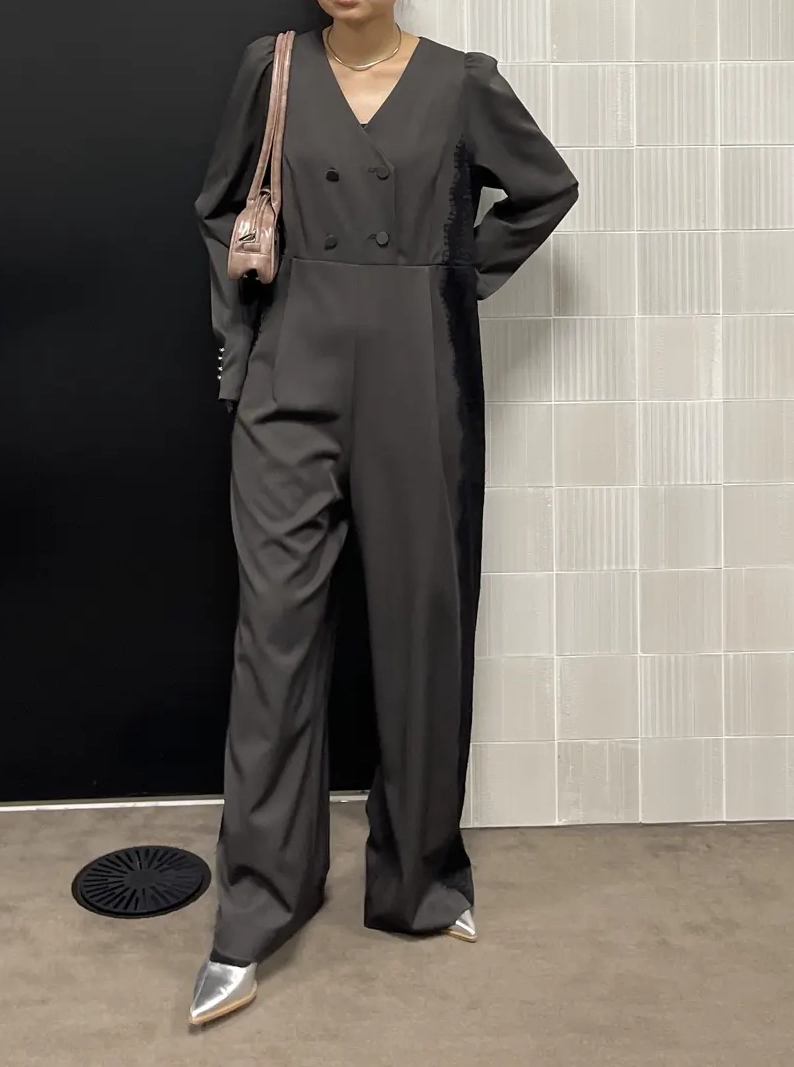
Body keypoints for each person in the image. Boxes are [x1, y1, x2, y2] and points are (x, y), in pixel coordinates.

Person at [190, 0, 578, 1026]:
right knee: (273, 639)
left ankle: (420, 877)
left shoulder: (461, 82)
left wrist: (450, 280)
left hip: (419, 376)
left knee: (423, 626)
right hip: (291, 375)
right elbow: (219, 208)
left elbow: (545, 188)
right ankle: (255, 904)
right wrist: (241, 351)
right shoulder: (271, 67)